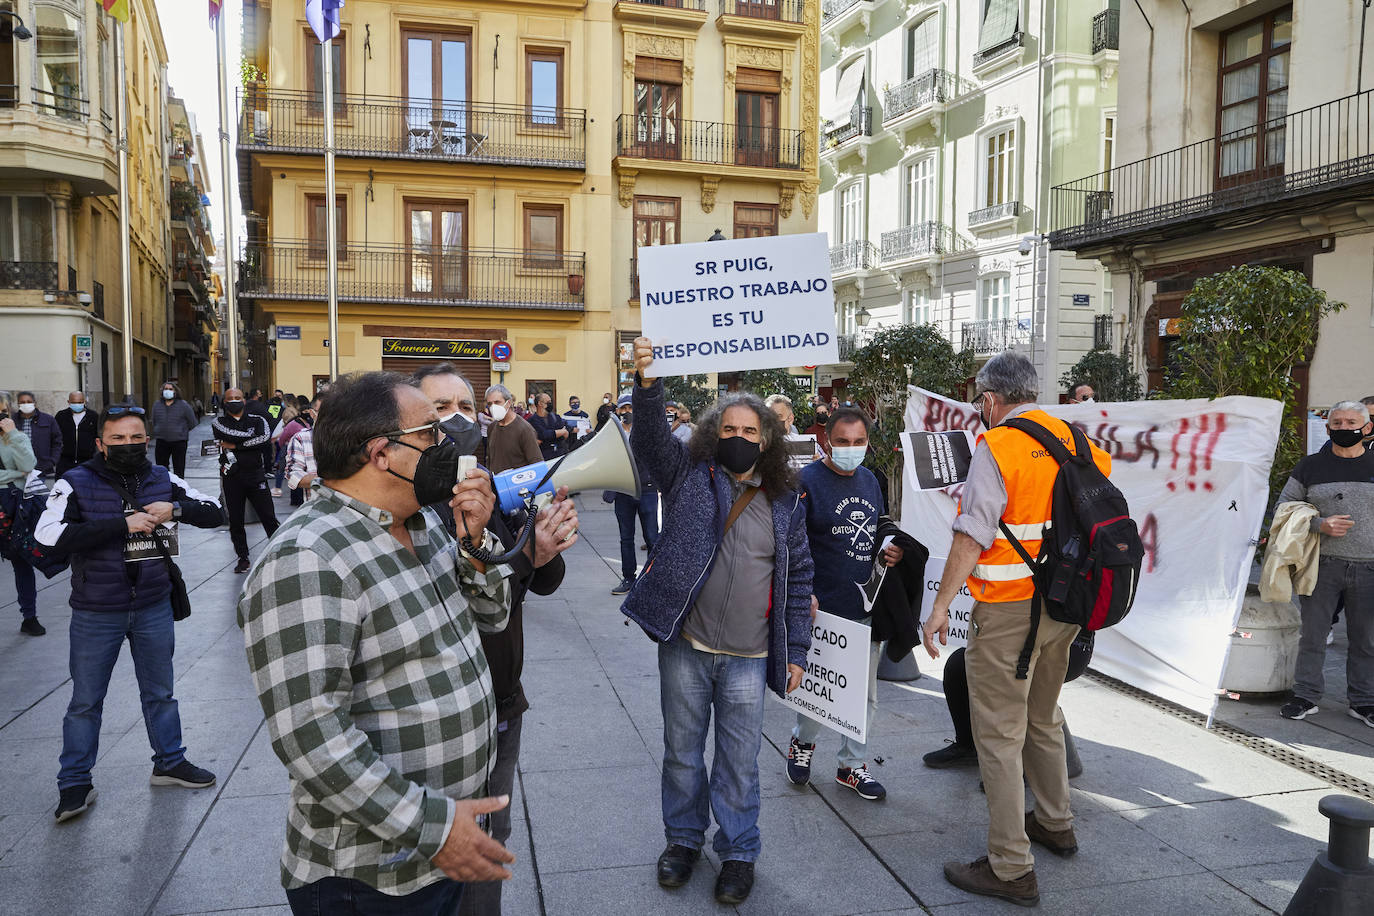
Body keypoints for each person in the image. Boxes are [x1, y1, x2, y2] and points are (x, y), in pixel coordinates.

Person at [238, 371, 519, 915]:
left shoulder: (423, 522)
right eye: (430, 434)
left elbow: (494, 616)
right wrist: (435, 828)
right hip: (368, 878)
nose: (448, 444)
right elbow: (311, 738)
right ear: (381, 454)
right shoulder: (307, 557)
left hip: (438, 848)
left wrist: (477, 542)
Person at [623, 337, 813, 906]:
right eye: (728, 429)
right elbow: (652, 442)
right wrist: (649, 384)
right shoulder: (690, 477)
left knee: (739, 762)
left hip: (751, 657)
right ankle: (682, 841)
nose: (738, 438)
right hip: (687, 645)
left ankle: (738, 853)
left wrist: (797, 651)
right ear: (713, 434)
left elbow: (799, 577)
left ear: (768, 440)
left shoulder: (787, 498)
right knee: (682, 752)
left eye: (750, 431)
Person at [922, 351, 1111, 907]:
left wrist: (939, 607)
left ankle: (1010, 866)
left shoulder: (997, 446)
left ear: (989, 399)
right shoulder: (1080, 440)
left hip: (1009, 611)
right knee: (1044, 716)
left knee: (999, 736)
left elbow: (970, 535)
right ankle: (1056, 823)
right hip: (1067, 606)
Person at [410, 364, 578, 916]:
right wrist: (523, 559)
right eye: (439, 409)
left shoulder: (488, 489)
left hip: (502, 697)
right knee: (433, 841)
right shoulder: (407, 509)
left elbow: (537, 582)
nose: (456, 417)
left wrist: (543, 547)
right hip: (439, 713)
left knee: (490, 832)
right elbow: (446, 605)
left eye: (465, 405)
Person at [35, 402, 224, 823]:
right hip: (96, 610)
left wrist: (175, 510)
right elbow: (47, 535)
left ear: (147, 438)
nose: (128, 445)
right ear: (101, 444)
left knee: (160, 693)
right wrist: (122, 525)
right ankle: (74, 783)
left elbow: (216, 512)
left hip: (153, 605)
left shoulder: (162, 477)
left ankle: (169, 762)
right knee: (86, 701)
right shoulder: (75, 481)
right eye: (118, 438)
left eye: (136, 437)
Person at [785, 407, 901, 801]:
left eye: (859, 442)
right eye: (843, 442)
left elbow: (878, 522)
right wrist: (804, 593)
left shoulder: (870, 479)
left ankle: (852, 765)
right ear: (827, 441)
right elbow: (790, 540)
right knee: (819, 690)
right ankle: (803, 742)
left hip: (864, 605)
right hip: (820, 607)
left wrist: (889, 548)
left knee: (864, 695)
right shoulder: (806, 481)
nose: (851, 449)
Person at [1276, 400, 1374, 727]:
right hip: (1322, 565)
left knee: (1366, 640)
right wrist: (1320, 525)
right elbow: (1285, 507)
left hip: (1370, 568)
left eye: (1352, 422)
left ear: (1367, 428)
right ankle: (1305, 696)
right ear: (1329, 426)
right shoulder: (1310, 466)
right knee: (1313, 635)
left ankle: (1362, 702)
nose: (1344, 428)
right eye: (1338, 422)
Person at [213, 388, 280, 574]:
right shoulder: (218, 422)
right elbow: (249, 438)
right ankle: (243, 558)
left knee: (268, 517)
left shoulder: (258, 420)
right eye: (230, 398)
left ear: (244, 400)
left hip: (255, 475)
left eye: (238, 398)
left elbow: (265, 439)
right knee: (235, 520)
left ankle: (279, 553)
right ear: (224, 402)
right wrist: (251, 441)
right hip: (231, 477)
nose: (234, 401)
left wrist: (235, 446)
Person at [1, 391, 43, 635]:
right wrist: (14, 474)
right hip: (9, 494)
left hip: (13, 504)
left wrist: (13, 434)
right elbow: (21, 472)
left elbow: (28, 466)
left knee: (21, 560)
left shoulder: (14, 436)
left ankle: (29, 616)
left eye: (3, 412)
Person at [608, 393, 658, 596]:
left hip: (646, 489)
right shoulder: (612, 432)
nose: (627, 412)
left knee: (652, 536)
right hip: (623, 491)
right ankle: (629, 577)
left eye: (630, 408)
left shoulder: (645, 429)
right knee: (626, 538)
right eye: (623, 409)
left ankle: (654, 578)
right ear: (618, 411)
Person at [482, 384, 542, 474]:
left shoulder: (525, 429)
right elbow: (489, 459)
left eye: (497, 402)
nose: (493, 407)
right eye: (490, 404)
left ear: (509, 403)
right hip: (495, 484)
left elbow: (537, 465)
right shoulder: (491, 427)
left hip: (518, 485)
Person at [275, 397, 317, 507]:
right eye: (305, 412)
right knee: (283, 470)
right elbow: (282, 438)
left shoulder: (308, 424)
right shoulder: (295, 426)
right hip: (290, 449)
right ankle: (289, 495)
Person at [151, 382, 199, 478]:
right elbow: (154, 420)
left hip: (179, 442)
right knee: (161, 467)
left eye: (170, 389)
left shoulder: (183, 405)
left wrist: (181, 431)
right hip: (161, 441)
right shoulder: (157, 405)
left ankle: (179, 487)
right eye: (166, 389)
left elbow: (193, 422)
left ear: (175, 392)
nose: (167, 391)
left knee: (179, 467)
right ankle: (164, 484)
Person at [15, 391, 62, 478]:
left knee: (38, 492)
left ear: (35, 403)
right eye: (22, 402)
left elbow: (57, 442)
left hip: (40, 468)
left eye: (29, 402)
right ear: (18, 404)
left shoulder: (48, 420)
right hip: (17, 469)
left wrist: (52, 461)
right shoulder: (12, 420)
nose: (26, 404)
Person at [55, 391, 98, 479]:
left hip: (87, 461)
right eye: (74, 402)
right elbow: (55, 436)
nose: (77, 405)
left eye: (80, 402)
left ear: (84, 402)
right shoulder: (61, 416)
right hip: (65, 461)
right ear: (68, 402)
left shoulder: (93, 416)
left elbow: (98, 436)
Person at [528, 392, 570, 461]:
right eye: (548, 402)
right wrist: (560, 432)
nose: (550, 404)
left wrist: (548, 437)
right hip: (543, 457)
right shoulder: (532, 420)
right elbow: (543, 435)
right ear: (540, 403)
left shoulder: (556, 417)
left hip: (559, 455)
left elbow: (564, 434)